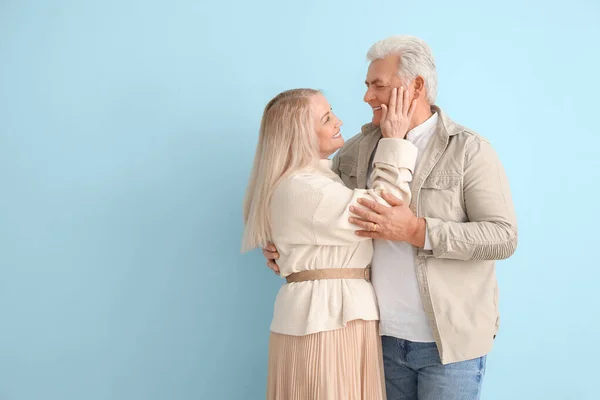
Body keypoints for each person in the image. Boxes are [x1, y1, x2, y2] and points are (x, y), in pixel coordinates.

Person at [263, 35, 518, 400]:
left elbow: (502, 236)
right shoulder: (354, 150)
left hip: (449, 343)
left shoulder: (468, 150)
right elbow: (318, 210)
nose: (367, 97)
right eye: (367, 85)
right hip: (375, 337)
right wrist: (288, 247)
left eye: (378, 85)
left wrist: (418, 230)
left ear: (416, 86)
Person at [242, 87, 419, 399]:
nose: (338, 121)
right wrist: (394, 140)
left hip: (331, 314)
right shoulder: (306, 188)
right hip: (329, 318)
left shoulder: (315, 181)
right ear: (301, 136)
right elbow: (384, 210)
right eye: (326, 118)